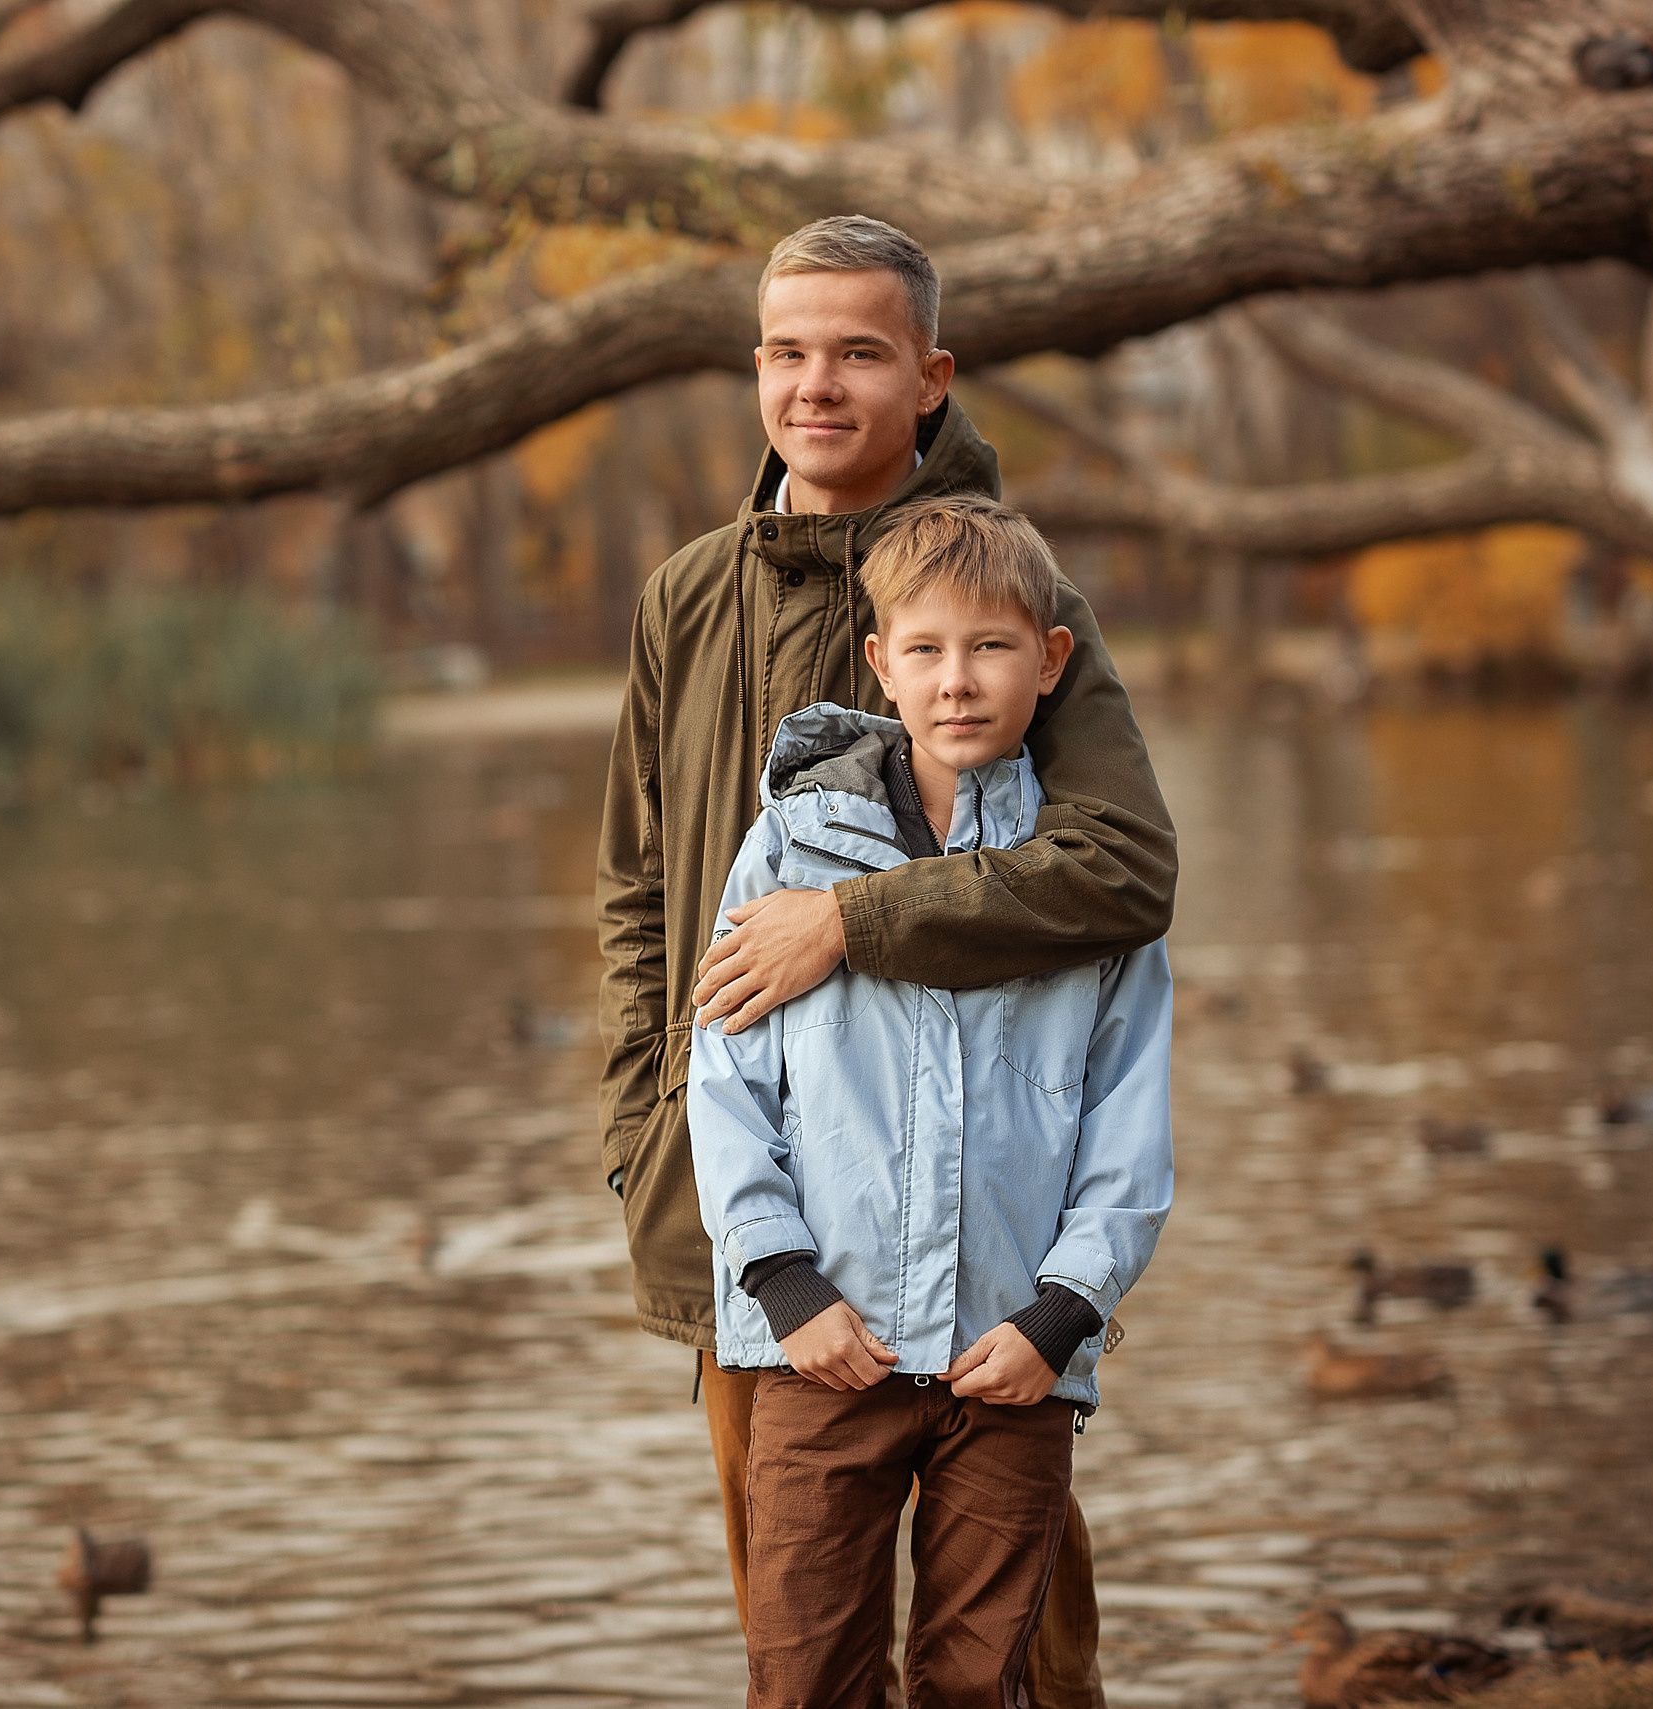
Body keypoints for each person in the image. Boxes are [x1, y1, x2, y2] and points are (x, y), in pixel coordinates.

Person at [594, 213, 1178, 1707]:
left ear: (931, 378)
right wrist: (639, 1136)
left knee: (1019, 1643)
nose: (818, 387)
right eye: (788, 353)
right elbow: (639, 892)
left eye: (859, 352)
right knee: (794, 1625)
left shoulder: (1003, 596)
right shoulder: (684, 595)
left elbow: (1123, 869)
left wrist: (846, 922)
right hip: (753, 1208)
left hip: (987, 1226)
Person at [688, 494, 1174, 1708]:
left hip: (1005, 1363)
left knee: (977, 1684)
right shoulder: (788, 850)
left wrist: (1061, 1314)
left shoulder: (1084, 878)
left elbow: (1128, 1120)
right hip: (824, 1355)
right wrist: (787, 1286)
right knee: (803, 1677)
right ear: (879, 662)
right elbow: (727, 1081)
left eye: (992, 647)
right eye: (926, 649)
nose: (958, 680)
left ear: (1051, 660)